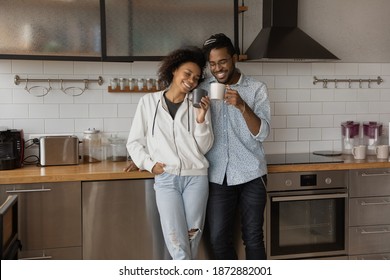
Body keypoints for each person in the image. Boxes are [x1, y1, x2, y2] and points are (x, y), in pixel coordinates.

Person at [126, 46, 214, 260]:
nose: (192, 80)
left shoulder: (197, 105)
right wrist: (148, 164)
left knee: (191, 238)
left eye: (196, 78)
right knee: (176, 241)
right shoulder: (148, 102)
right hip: (166, 179)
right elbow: (134, 142)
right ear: (174, 70)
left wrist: (202, 119)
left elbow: (204, 147)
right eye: (187, 73)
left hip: (196, 179)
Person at [200, 33, 271, 260]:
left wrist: (242, 105)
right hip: (217, 175)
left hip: (251, 173)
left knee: (252, 237)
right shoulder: (203, 88)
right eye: (212, 64)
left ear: (234, 59)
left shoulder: (256, 88)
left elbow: (263, 133)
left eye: (222, 61)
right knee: (218, 239)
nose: (218, 68)